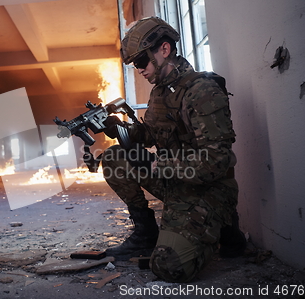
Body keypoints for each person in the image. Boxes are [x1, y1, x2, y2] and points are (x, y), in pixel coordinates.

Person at [100, 16, 246, 282]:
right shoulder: (160, 92)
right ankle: (146, 234)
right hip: (176, 180)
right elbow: (152, 135)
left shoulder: (202, 91)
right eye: (135, 65)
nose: (139, 69)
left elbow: (216, 161)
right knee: (114, 157)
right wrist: (118, 129)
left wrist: (161, 166)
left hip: (208, 189)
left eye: (142, 61)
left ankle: (223, 228)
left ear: (164, 50)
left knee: (169, 266)